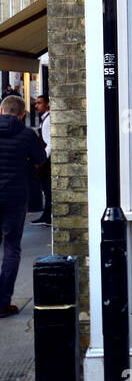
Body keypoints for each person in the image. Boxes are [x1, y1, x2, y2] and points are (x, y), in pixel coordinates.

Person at [0, 96, 46, 317]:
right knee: (11, 247)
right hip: (15, 197)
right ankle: (3, 301)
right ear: (22, 115)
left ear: (1, 110)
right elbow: (40, 160)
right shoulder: (27, 134)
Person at [32, 95, 51, 226]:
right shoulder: (45, 120)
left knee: (48, 189)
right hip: (46, 161)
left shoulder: (47, 121)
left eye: (39, 103)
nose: (36, 106)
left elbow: (49, 143)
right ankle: (46, 214)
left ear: (47, 104)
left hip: (46, 162)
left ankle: (47, 215)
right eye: (36, 103)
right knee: (47, 189)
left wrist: (42, 159)